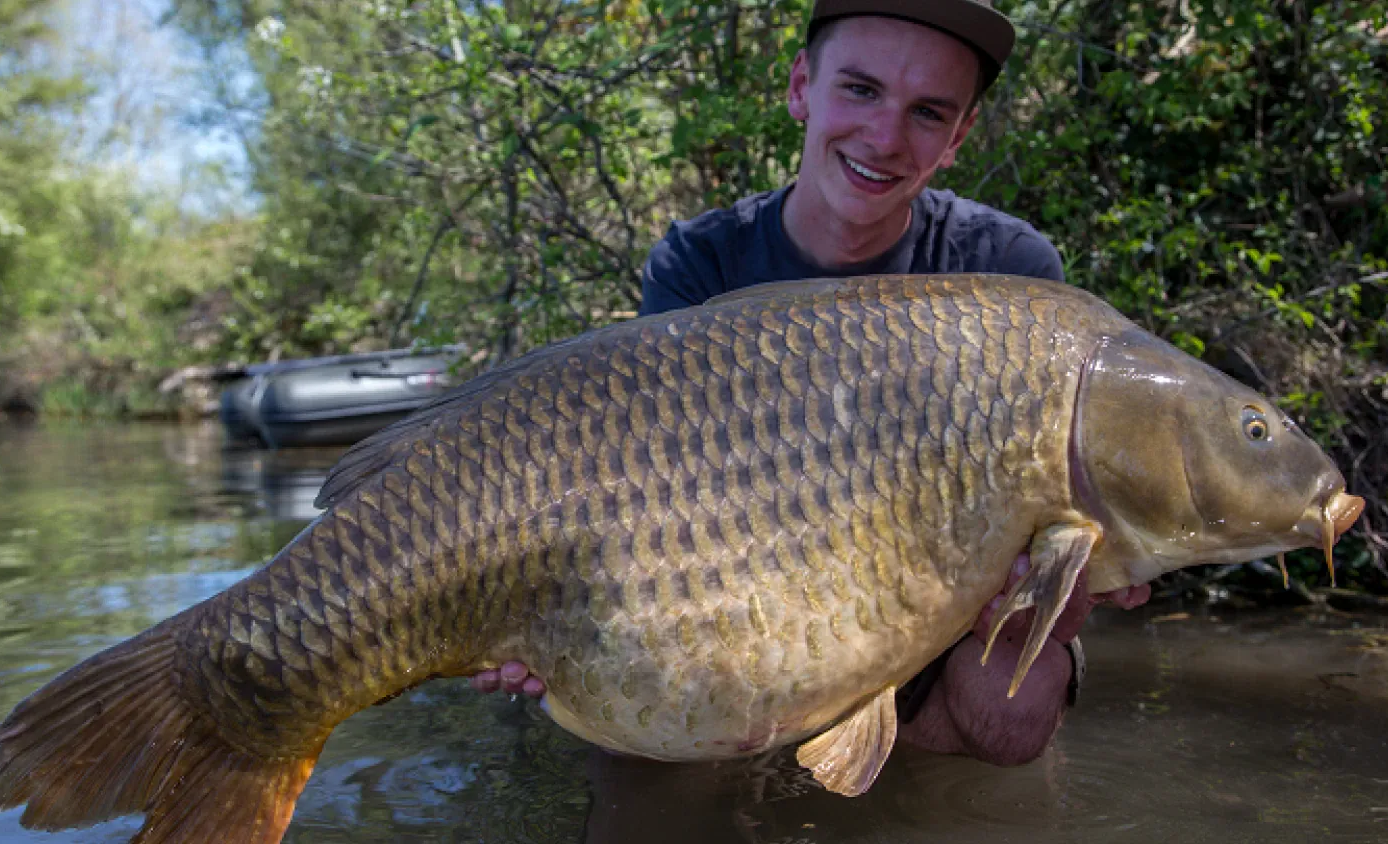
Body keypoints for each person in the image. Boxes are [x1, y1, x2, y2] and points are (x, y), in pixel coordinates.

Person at [473, 0, 1151, 769]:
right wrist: (541, 617)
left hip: (929, 609)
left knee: (1015, 706)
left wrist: (1069, 580)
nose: (886, 138)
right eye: (859, 90)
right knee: (644, 730)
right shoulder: (700, 264)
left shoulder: (1012, 277)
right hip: (730, 592)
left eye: (927, 112)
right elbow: (642, 504)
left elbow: (1044, 525)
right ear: (801, 86)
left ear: (959, 136)